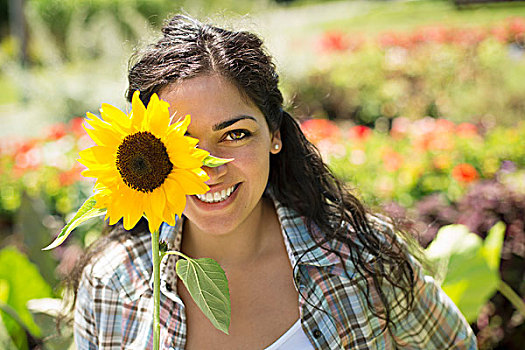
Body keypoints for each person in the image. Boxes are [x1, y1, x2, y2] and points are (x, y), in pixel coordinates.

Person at [71, 14, 477, 349]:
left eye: (235, 134)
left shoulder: (358, 256)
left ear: (275, 135)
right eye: (179, 144)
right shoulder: (114, 283)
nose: (206, 167)